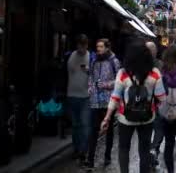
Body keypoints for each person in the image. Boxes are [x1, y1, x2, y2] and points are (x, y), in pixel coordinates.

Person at [101, 39, 166, 173]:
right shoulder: (154, 73)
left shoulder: (123, 73)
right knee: (144, 150)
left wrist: (107, 118)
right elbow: (161, 98)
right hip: (147, 118)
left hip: (125, 118)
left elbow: (115, 97)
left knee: (124, 149)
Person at [85, 39, 120, 169]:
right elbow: (91, 77)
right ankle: (90, 160)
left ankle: (107, 156)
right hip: (95, 101)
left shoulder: (114, 61)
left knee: (109, 130)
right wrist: (90, 88)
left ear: (107, 48)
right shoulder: (94, 61)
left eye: (100, 46)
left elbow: (119, 79)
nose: (98, 49)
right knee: (93, 129)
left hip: (108, 102)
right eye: (97, 46)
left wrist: (106, 85)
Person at [67, 35, 90, 161]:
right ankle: (77, 148)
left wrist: (88, 70)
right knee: (75, 125)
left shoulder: (91, 57)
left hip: (85, 96)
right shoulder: (71, 56)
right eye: (79, 45)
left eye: (84, 45)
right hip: (72, 95)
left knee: (85, 124)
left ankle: (83, 150)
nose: (81, 48)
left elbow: (95, 74)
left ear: (87, 45)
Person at [146, 41, 165, 167]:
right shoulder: (160, 64)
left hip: (146, 102)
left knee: (150, 128)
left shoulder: (139, 63)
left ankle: (151, 150)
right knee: (158, 128)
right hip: (154, 101)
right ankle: (153, 149)